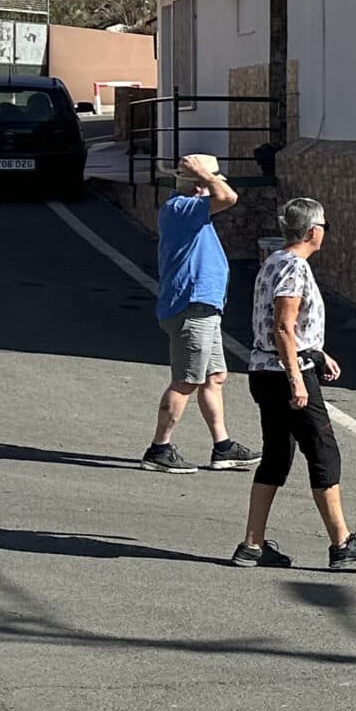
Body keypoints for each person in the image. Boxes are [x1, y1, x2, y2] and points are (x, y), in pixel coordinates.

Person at [233, 198, 356, 572]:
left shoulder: (274, 261)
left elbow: (290, 328)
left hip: (266, 370)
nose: (324, 233)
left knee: (276, 456)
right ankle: (342, 542)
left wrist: (318, 353)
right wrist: (297, 380)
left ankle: (252, 545)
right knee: (323, 453)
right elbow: (283, 326)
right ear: (312, 231)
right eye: (325, 227)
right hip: (285, 375)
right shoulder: (294, 268)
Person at [143, 155, 257, 473]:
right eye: (211, 179)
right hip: (191, 308)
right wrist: (206, 175)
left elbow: (223, 194)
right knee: (185, 381)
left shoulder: (190, 212)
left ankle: (223, 447)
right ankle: (158, 449)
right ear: (199, 184)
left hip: (204, 309)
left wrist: (203, 176)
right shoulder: (182, 208)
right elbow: (228, 197)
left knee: (213, 377)